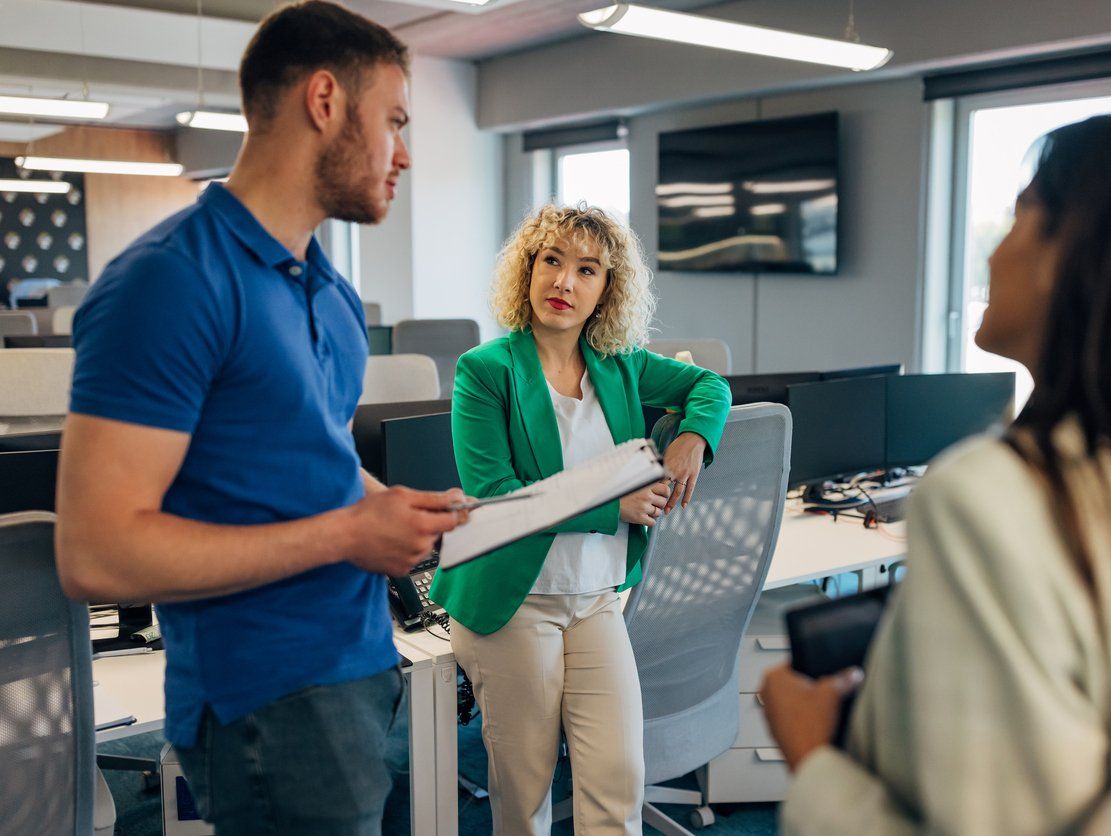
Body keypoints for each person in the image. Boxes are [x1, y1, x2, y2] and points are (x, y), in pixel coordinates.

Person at [760, 104, 1111, 835]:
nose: (991, 253)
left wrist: (814, 762)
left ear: (1073, 252)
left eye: (1019, 218)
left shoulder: (1000, 502)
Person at [55, 3, 468, 833]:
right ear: (325, 102)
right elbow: (96, 555)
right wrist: (349, 536)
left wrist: (393, 510)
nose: (407, 153)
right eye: (393, 121)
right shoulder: (168, 283)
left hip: (355, 660)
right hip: (263, 696)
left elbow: (309, 457)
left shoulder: (330, 291)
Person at [430, 204, 731, 835]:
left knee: (618, 783)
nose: (564, 282)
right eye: (552, 262)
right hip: (513, 603)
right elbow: (499, 496)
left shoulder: (620, 365)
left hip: (595, 601)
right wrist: (612, 505)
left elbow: (711, 387)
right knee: (526, 793)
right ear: (528, 271)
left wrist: (693, 439)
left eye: (586, 269)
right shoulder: (486, 371)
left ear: (607, 289)